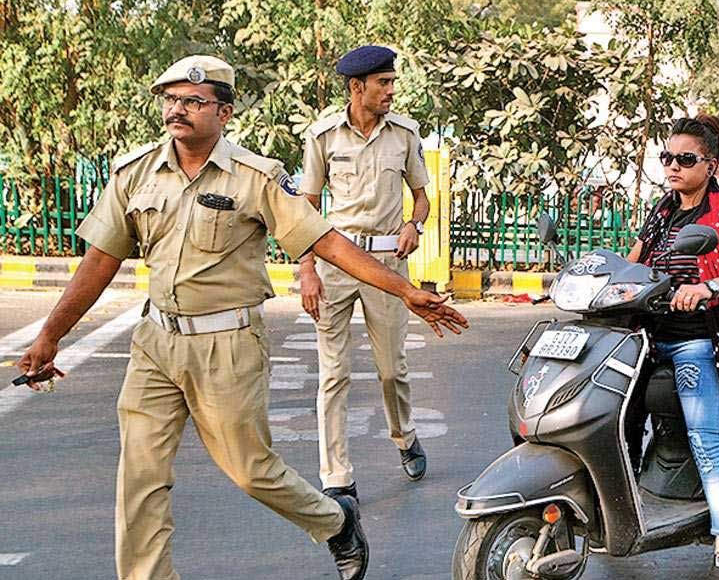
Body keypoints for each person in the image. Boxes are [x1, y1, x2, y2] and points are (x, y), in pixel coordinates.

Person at [15, 55, 468, 580]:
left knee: (252, 472)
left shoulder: (256, 177)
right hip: (155, 343)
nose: (177, 110)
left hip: (228, 345)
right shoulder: (135, 173)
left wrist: (404, 289)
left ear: (224, 112)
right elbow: (100, 260)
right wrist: (50, 337)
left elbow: (325, 240)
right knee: (139, 480)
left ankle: (333, 520)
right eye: (171, 100)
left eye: (193, 101)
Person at [626, 114, 719, 580]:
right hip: (649, 336)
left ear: (709, 164)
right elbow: (630, 264)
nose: (672, 166)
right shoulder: (663, 209)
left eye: (684, 159)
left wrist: (707, 288)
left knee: (704, 436)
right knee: (617, 414)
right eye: (666, 157)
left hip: (699, 336)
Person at [299, 45, 432, 494]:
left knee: (391, 367)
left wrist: (414, 224)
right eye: (384, 83)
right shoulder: (322, 138)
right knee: (333, 374)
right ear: (358, 88)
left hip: (388, 263)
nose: (392, 90)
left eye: (392, 82)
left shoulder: (405, 135)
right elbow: (308, 209)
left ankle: (405, 436)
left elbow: (421, 195)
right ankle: (336, 477)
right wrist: (307, 269)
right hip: (336, 262)